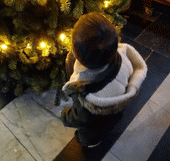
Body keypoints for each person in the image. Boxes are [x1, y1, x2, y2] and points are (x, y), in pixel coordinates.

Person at [60, 12, 147, 148]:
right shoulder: (124, 56)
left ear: (76, 54)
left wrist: (65, 115)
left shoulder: (86, 94)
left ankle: (91, 143)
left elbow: (80, 117)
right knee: (106, 123)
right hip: (114, 113)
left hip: (92, 129)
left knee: (88, 135)